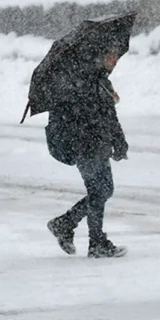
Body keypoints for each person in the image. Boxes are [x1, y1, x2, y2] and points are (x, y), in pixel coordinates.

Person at [46, 49, 129, 258]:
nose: (114, 61)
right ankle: (96, 242)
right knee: (99, 192)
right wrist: (94, 116)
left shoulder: (100, 81)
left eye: (115, 58)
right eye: (110, 56)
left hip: (99, 145)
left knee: (104, 190)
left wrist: (119, 142)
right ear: (99, 56)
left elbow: (111, 116)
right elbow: (80, 116)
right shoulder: (81, 82)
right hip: (84, 145)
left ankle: (65, 223)